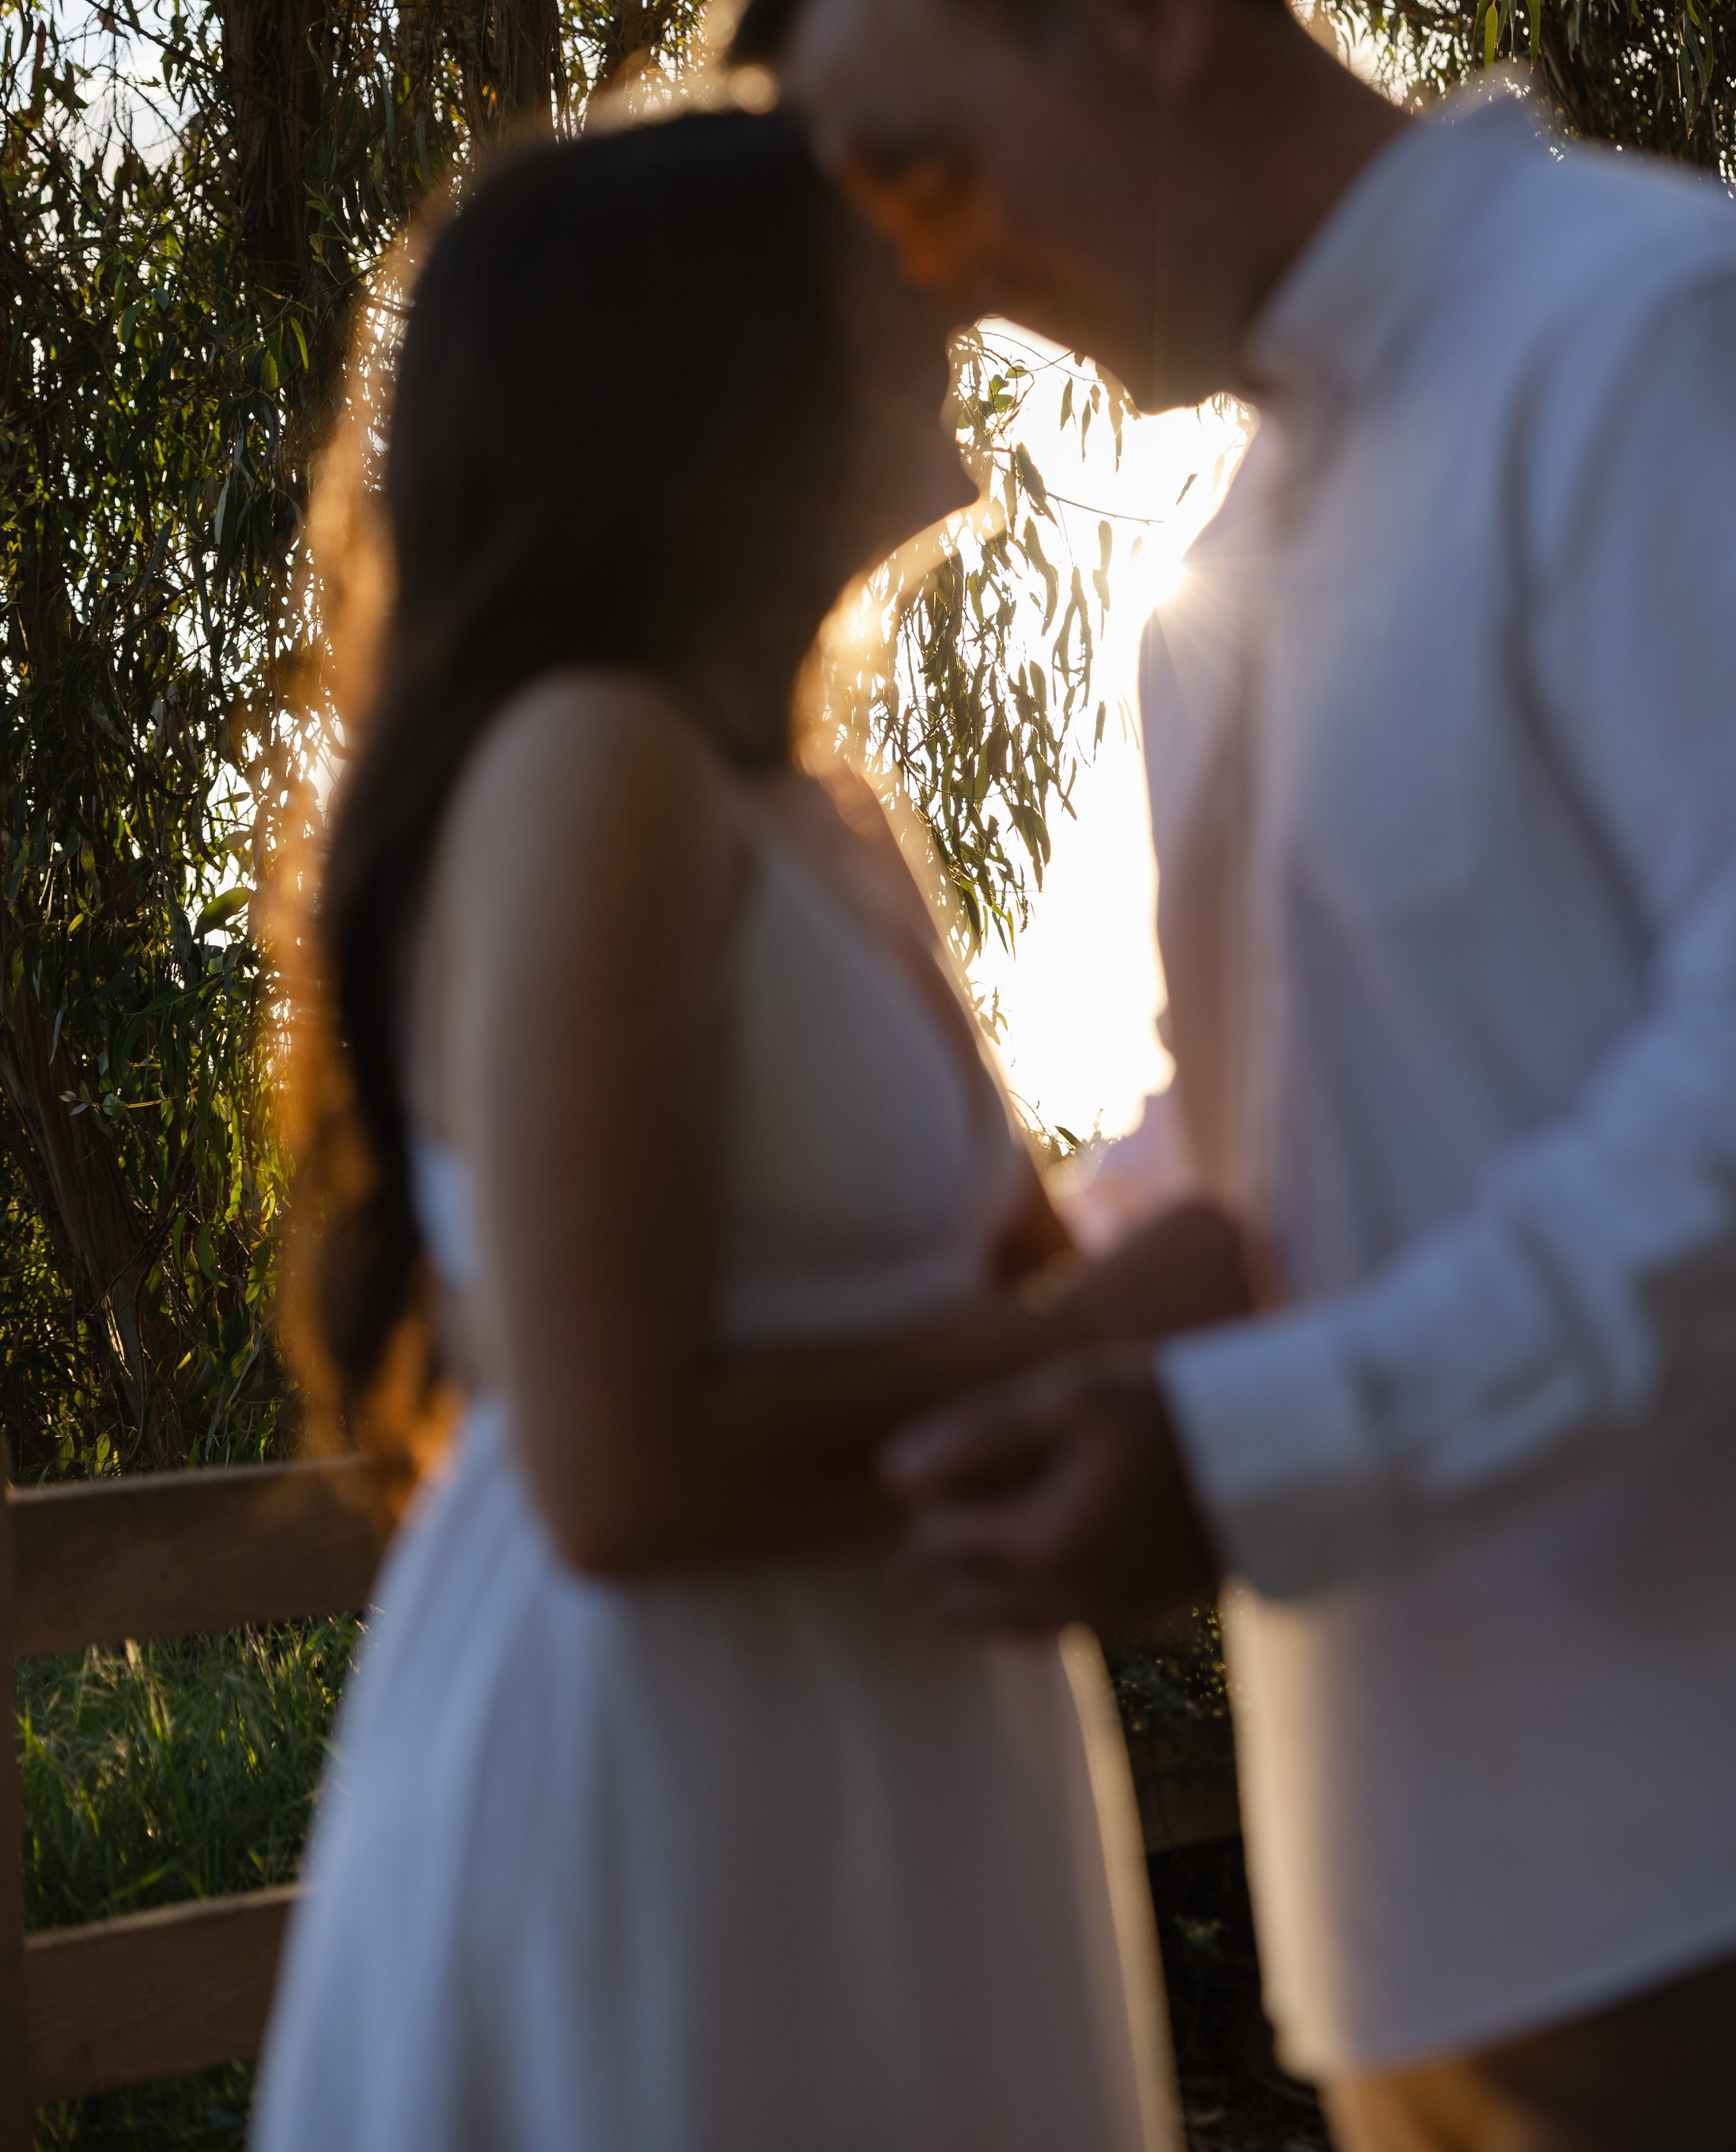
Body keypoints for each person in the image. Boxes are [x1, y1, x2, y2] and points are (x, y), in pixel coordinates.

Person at [730, 0, 1736, 2151]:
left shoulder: (1680, 348)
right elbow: (1291, 1107)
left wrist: (1238, 1449)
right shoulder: (1231, 570)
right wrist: (994, 1323)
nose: (926, 271)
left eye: (923, 164)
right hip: (1411, 1927)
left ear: (1135, 9)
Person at [252, 108, 1248, 2152]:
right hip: (675, 1758)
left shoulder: (824, 812)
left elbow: (1007, 1282)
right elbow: (614, 1465)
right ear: (718, 369)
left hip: (910, 1720)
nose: (949, 295)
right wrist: (1098, 1330)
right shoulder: (588, 764)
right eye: (879, 267)